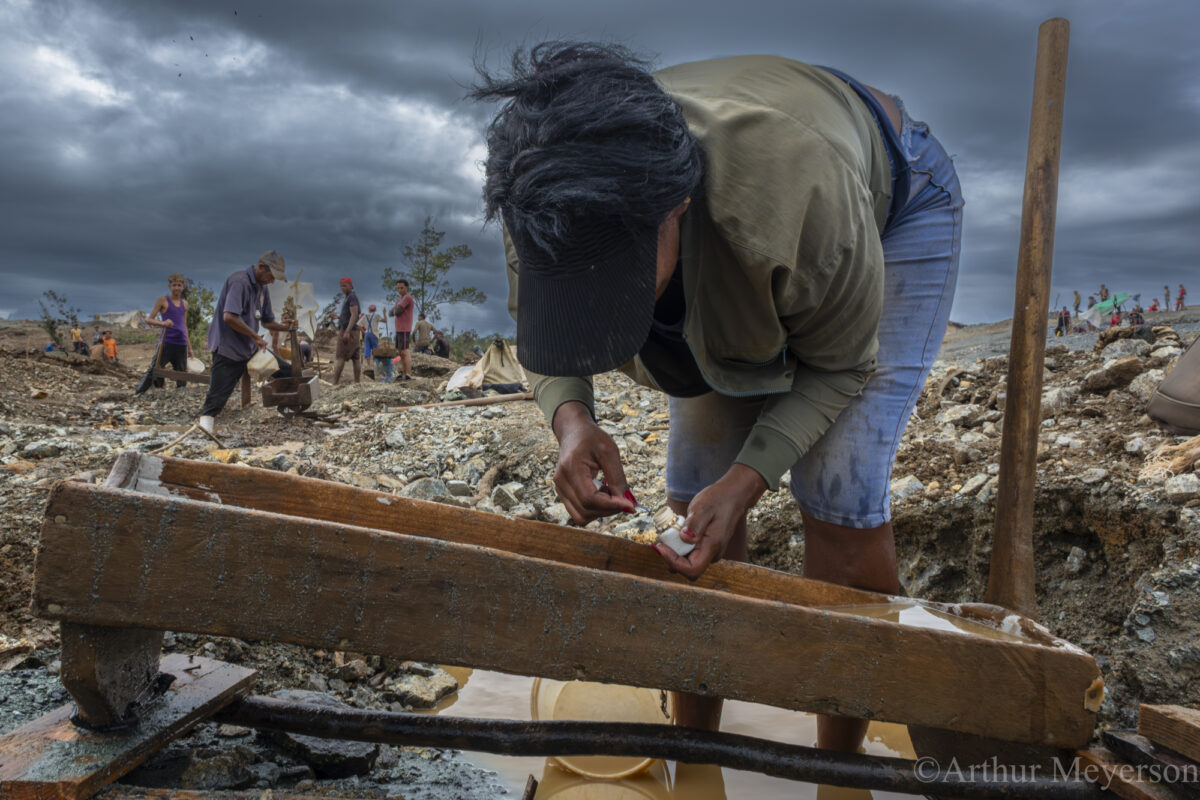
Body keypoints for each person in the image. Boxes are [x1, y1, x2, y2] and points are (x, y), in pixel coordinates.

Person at [475, 43, 963, 749]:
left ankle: (839, 766)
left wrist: (752, 476)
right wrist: (573, 424)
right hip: (739, 219)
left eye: (615, 279)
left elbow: (839, 368)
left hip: (893, 200)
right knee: (695, 493)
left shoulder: (790, 191)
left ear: (674, 209)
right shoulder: (544, 190)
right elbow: (545, 336)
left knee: (839, 495)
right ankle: (695, 751)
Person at [197, 250, 293, 434]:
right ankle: (205, 428)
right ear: (261, 267)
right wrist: (256, 337)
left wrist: (286, 328)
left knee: (286, 371)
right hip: (229, 348)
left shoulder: (262, 288)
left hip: (249, 347)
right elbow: (230, 317)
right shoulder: (239, 282)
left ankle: (289, 411)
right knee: (218, 395)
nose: (271, 281)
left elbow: (266, 321)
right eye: (271, 276)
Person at [147, 273, 194, 388]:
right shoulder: (163, 301)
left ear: (183, 287)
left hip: (181, 343)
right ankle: (157, 390)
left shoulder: (185, 304)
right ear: (170, 286)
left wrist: (190, 348)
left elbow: (184, 325)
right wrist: (163, 323)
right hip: (167, 341)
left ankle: (180, 393)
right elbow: (149, 319)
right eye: (174, 285)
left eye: (179, 285)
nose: (177, 288)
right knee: (157, 368)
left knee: (182, 372)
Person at [331, 277, 362, 385]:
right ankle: (357, 382)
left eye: (345, 285)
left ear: (351, 286)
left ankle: (334, 383)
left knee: (340, 357)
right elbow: (349, 316)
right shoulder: (349, 297)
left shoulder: (351, 297)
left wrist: (347, 332)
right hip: (353, 331)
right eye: (341, 286)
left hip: (349, 332)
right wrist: (339, 318)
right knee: (355, 357)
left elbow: (354, 315)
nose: (343, 288)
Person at [389, 279, 415, 381]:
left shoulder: (408, 298)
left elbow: (397, 311)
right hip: (398, 328)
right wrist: (396, 310)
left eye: (401, 288)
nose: (399, 290)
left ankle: (408, 373)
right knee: (400, 352)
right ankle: (403, 373)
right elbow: (391, 313)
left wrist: (396, 310)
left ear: (406, 287)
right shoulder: (399, 300)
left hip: (405, 328)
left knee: (405, 351)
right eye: (398, 288)